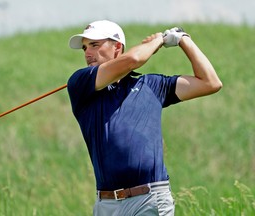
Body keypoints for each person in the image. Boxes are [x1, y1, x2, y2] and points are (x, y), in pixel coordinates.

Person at [67, 20, 222, 216]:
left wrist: (183, 39)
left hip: (150, 200)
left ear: (117, 47)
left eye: (95, 45)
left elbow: (210, 82)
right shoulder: (80, 84)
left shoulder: (152, 85)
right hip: (107, 206)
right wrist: (157, 41)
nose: (88, 53)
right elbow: (133, 59)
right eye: (84, 47)